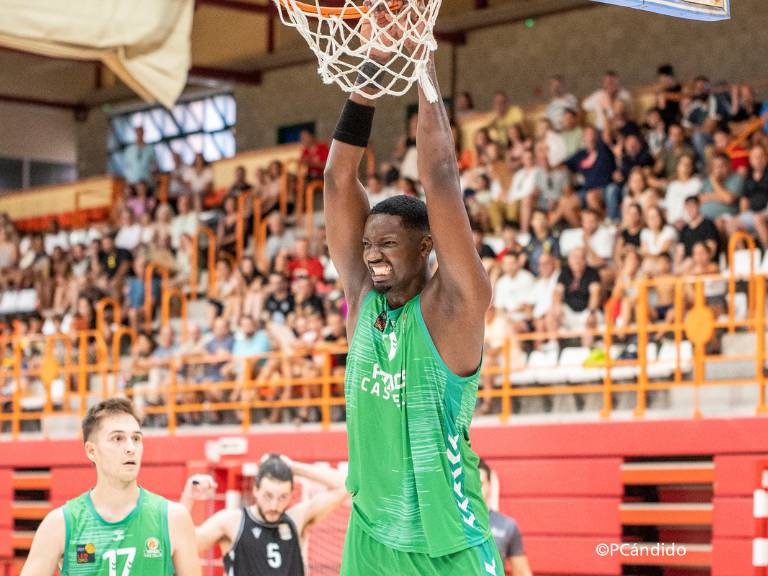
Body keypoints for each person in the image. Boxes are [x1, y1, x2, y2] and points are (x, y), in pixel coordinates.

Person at [323, 29, 502, 576]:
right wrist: (371, 72)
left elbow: (440, 176)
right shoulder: (362, 298)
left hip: (448, 542)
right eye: (368, 243)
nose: (372, 255)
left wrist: (422, 66)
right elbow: (337, 178)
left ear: (426, 246)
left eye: (389, 243)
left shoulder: (456, 307)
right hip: (371, 535)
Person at [20, 398, 200, 576]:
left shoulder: (173, 518)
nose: (131, 447)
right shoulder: (61, 523)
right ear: (92, 451)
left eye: (136, 438)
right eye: (118, 438)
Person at [180, 454, 347, 576]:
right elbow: (183, 544)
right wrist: (189, 498)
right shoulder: (232, 522)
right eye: (268, 496)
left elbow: (345, 486)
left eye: (282, 497)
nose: (274, 505)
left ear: (290, 494)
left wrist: (293, 467)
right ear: (255, 490)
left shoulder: (296, 520)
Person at [478, 460, 533, 576]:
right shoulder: (453, 524)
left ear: (489, 485)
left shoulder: (507, 525)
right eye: (471, 485)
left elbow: (522, 573)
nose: (476, 490)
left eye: (480, 484)